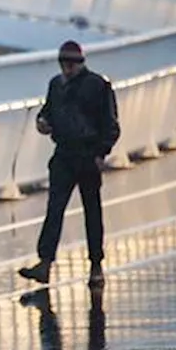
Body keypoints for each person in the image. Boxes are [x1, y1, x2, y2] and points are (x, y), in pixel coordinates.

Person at [19, 42, 120, 287]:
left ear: (80, 63)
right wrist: (43, 122)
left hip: (87, 154)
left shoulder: (97, 85)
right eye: (63, 64)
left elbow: (111, 125)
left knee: (92, 212)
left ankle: (96, 265)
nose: (67, 68)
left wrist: (100, 153)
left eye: (71, 64)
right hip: (63, 154)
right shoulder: (56, 85)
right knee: (55, 209)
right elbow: (48, 113)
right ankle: (45, 263)